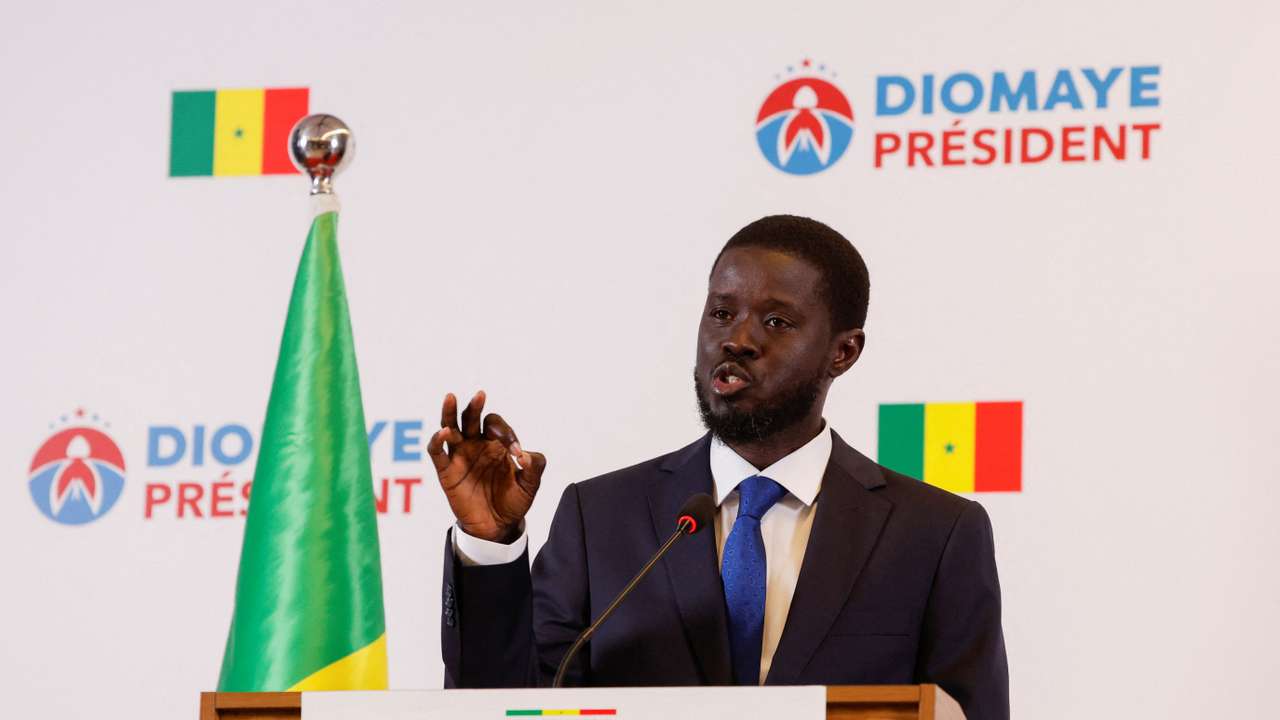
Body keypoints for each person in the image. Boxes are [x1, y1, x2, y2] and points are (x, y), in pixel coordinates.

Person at [428, 215, 1009, 720]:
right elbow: (505, 705)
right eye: (722, 313)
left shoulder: (933, 534)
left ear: (843, 351)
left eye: (776, 321)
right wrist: (490, 545)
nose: (738, 340)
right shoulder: (600, 517)